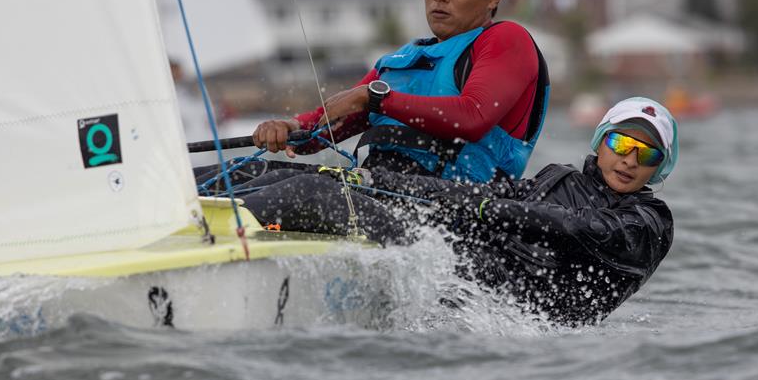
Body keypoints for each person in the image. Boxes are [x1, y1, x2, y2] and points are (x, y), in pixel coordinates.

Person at [238, 97, 679, 326]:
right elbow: (466, 192)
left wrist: (488, 208)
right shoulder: (559, 178)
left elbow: (572, 227)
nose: (630, 160)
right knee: (282, 171)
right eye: (622, 144)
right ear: (601, 142)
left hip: (497, 306)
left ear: (661, 167)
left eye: (648, 155)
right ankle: (205, 206)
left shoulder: (650, 223)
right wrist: (382, 182)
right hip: (458, 267)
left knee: (315, 195)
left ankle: (218, 226)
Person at [251, 0, 550, 183]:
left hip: (456, 214)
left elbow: (472, 118)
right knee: (238, 177)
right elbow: (322, 130)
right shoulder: (400, 61)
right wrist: (287, 127)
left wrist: (374, 99)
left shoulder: (507, 39)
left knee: (298, 191)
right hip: (378, 192)